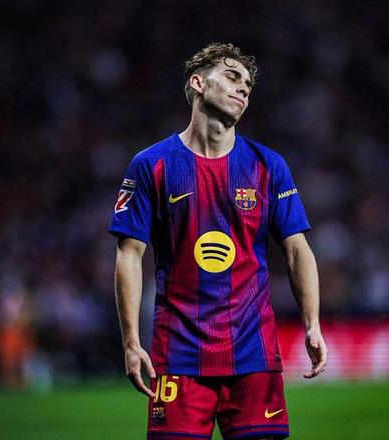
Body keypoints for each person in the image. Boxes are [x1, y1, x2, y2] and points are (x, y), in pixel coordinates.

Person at [110, 42, 327, 440]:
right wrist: (130, 341)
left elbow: (298, 251)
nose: (243, 87)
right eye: (232, 76)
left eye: (248, 84)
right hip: (178, 353)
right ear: (198, 83)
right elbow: (129, 255)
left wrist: (312, 323)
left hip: (253, 352)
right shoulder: (150, 165)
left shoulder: (268, 166)